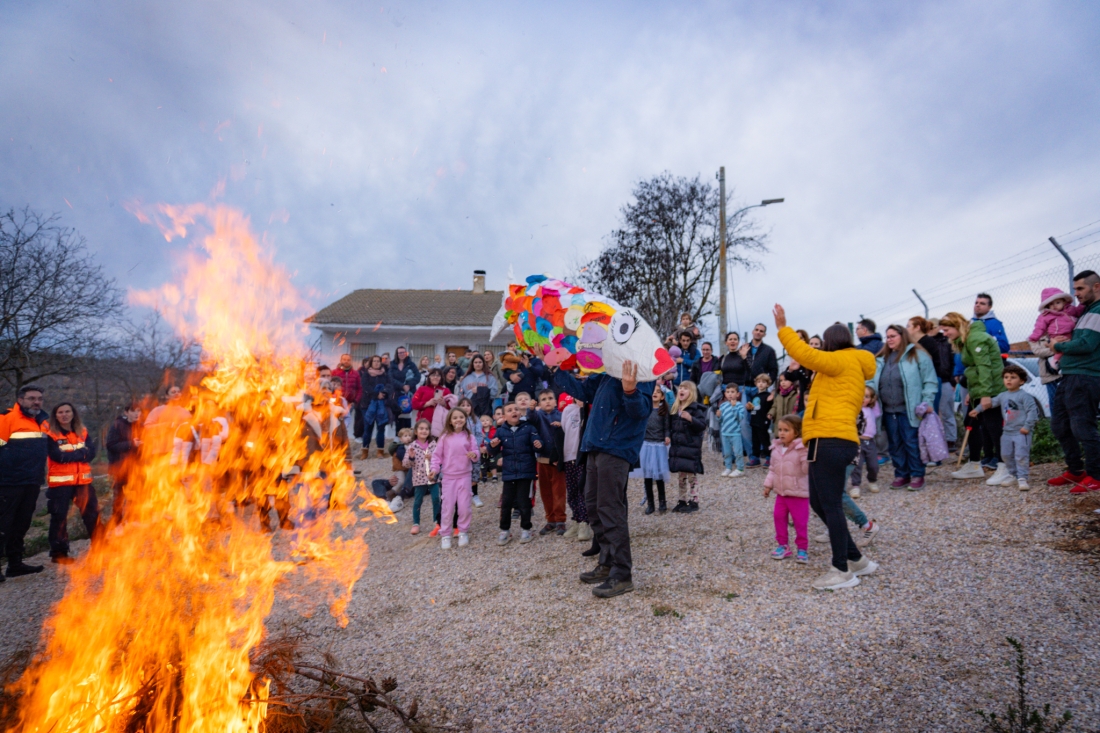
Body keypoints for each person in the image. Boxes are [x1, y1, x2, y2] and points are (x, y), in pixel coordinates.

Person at [774, 306, 879, 591]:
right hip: (836, 440)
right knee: (820, 501)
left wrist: (783, 328)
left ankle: (841, 569)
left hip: (829, 439)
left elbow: (806, 354)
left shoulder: (840, 361)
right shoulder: (852, 364)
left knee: (829, 503)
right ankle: (857, 559)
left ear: (831, 344)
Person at [554, 360, 653, 599]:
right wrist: (556, 368)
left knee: (610, 509)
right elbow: (583, 391)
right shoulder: (608, 372)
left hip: (616, 447)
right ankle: (607, 563)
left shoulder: (644, 371)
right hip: (594, 445)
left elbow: (641, 411)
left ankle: (622, 574)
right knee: (594, 507)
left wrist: (630, 390)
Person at [1048, 270, 1100, 493]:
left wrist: (1057, 346)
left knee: (1083, 427)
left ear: (1096, 287)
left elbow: (1086, 345)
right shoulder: (1086, 313)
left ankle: (1096, 475)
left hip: (1085, 376)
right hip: (1069, 375)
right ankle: (1076, 470)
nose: (1076, 293)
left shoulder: (1097, 311)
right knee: (1060, 425)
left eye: (1080, 288)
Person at [869, 325, 938, 490]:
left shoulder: (917, 355)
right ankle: (901, 474)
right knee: (895, 443)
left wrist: (927, 401)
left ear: (903, 336)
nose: (889, 339)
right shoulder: (882, 359)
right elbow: (872, 381)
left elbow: (929, 380)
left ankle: (917, 474)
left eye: (893, 336)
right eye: (887, 337)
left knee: (911, 442)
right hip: (888, 409)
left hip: (910, 408)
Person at [940, 312, 1006, 480]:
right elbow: (974, 370)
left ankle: (1005, 467)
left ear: (957, 326)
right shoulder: (966, 340)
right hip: (980, 389)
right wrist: (972, 391)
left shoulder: (976, 338)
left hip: (992, 389)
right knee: (971, 423)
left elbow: (985, 367)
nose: (945, 334)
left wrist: (985, 395)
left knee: (993, 427)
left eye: (947, 330)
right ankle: (975, 464)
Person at [0, 385, 50, 580]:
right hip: (9, 482)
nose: (36, 402)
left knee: (22, 524)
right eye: (31, 398)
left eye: (39, 398)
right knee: (3, 524)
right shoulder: (6, 418)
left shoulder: (42, 421)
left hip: (32, 481)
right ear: (20, 400)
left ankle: (15, 564)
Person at [44, 403, 99, 564]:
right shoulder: (51, 434)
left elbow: (92, 453)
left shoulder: (82, 431)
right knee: (59, 517)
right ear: (55, 415)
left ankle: (100, 545)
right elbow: (57, 456)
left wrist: (74, 455)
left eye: (67, 411)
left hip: (83, 481)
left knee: (92, 514)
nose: (64, 415)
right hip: (60, 484)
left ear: (73, 413)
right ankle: (59, 553)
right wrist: (81, 454)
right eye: (60, 412)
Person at [969, 364, 1038, 491]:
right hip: (1007, 432)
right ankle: (1012, 475)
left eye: (1013, 377)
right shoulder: (1002, 395)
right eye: (1006, 377)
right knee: (1005, 454)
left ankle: (1022, 478)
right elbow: (990, 403)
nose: (1009, 380)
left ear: (1022, 381)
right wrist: (977, 410)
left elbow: (1033, 411)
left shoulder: (1025, 396)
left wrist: (1027, 426)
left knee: (1021, 455)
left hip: (1021, 432)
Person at [491, 403, 542, 545]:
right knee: (506, 503)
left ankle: (526, 529)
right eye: (509, 410)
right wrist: (492, 446)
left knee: (524, 502)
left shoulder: (529, 428)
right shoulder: (501, 431)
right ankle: (505, 530)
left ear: (520, 413)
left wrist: (538, 443)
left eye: (516, 409)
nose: (514, 412)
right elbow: (492, 451)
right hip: (509, 473)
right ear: (504, 416)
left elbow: (537, 440)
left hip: (526, 472)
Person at [429, 408, 480, 549]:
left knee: (464, 506)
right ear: (450, 421)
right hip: (448, 478)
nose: (458, 420)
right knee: (447, 507)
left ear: (465, 419)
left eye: (461, 417)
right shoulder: (444, 437)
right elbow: (437, 456)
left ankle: (463, 531)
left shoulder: (470, 437)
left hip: (465, 476)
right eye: (455, 417)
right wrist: (434, 469)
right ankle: (445, 534)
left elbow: (476, 452)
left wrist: (474, 455)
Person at [763, 414, 810, 564]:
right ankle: (783, 545)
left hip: (798, 494)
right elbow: (772, 469)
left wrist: (804, 453)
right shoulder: (776, 449)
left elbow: (806, 470)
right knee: (778, 517)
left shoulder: (801, 448)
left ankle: (802, 548)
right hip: (781, 494)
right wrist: (768, 485)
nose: (781, 433)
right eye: (780, 429)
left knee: (800, 522)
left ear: (796, 432)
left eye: (786, 430)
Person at [908, 317, 958, 451]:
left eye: (908, 326)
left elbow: (939, 364)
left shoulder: (928, 343)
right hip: (927, 381)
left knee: (933, 415)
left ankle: (938, 448)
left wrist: (950, 378)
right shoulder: (916, 343)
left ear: (917, 327)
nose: (906, 329)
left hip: (935, 380)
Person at [530, 389, 568, 534]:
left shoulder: (561, 415)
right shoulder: (538, 415)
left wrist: (562, 425)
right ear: (540, 403)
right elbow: (531, 418)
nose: (547, 401)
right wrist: (531, 409)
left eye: (550, 398)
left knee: (559, 491)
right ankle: (550, 520)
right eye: (544, 399)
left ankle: (560, 520)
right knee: (545, 492)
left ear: (555, 401)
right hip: (542, 459)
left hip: (557, 460)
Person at [668, 381, 706, 513]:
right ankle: (682, 500)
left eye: (685, 388)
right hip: (679, 447)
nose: (681, 390)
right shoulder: (675, 408)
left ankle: (694, 500)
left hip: (690, 447)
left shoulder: (696, 409)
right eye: (680, 388)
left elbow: (702, 425)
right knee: (681, 475)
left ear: (692, 393)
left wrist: (690, 419)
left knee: (691, 475)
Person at [1029, 288, 1084, 370]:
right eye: (1051, 304)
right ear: (1047, 305)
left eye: (1057, 302)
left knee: (1072, 345)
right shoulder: (1046, 315)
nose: (1054, 306)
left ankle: (1058, 360)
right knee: (1062, 345)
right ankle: (1055, 359)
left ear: (1064, 302)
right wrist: (1034, 337)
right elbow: (1039, 327)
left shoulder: (1070, 310)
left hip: (1071, 332)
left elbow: (1078, 311)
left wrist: (1083, 304)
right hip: (1057, 334)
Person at [636, 387, 671, 514]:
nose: (655, 393)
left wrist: (667, 436)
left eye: (658, 392)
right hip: (646, 445)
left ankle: (662, 501)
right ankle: (650, 503)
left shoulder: (663, 411)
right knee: (648, 476)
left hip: (659, 445)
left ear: (662, 396)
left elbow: (667, 427)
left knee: (660, 475)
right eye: (653, 391)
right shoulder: (645, 410)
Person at [106, 402, 142, 523]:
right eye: (133, 411)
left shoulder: (140, 426)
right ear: (126, 412)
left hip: (136, 467)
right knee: (119, 496)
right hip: (120, 467)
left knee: (136, 495)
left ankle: (133, 520)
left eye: (139, 411)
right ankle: (117, 522)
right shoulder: (118, 425)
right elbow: (111, 445)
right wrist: (131, 444)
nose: (137, 413)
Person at [403, 419, 440, 536]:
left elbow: (440, 459)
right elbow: (405, 464)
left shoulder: (433, 444)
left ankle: (437, 522)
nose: (424, 431)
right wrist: (411, 458)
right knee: (418, 501)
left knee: (436, 499)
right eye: (421, 429)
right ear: (416, 431)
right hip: (419, 479)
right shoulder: (412, 446)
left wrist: (432, 457)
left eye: (426, 429)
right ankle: (416, 523)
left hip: (433, 477)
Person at [143, 385, 192, 457]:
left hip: (180, 452)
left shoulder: (186, 412)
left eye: (178, 392)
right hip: (160, 451)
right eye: (173, 392)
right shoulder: (158, 410)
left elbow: (191, 431)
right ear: (167, 396)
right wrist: (167, 425)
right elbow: (147, 427)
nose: (176, 394)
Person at [359, 355, 392, 459]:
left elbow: (389, 385)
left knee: (381, 428)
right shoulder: (366, 374)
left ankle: (380, 451)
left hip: (381, 405)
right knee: (368, 427)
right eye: (375, 361)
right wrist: (375, 394)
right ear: (371, 363)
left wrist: (384, 393)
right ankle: (365, 451)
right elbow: (365, 387)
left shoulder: (384, 374)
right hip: (367, 405)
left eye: (378, 361)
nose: (377, 363)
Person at [851, 387, 881, 497]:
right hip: (857, 441)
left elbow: (877, 410)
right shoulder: (854, 410)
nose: (863, 398)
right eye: (861, 395)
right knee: (857, 465)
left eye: (867, 396)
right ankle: (855, 486)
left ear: (871, 400)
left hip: (870, 442)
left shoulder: (873, 410)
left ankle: (872, 481)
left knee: (873, 465)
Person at [716, 384, 746, 478]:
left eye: (732, 392)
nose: (730, 394)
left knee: (738, 452)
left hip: (735, 433)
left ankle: (740, 469)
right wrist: (718, 416)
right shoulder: (723, 405)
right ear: (725, 394)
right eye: (728, 392)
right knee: (727, 452)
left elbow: (740, 418)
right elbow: (720, 421)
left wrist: (734, 408)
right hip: (725, 433)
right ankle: (728, 467)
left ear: (737, 394)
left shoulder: (739, 405)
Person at [332, 353, 362, 440]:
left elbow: (360, 388)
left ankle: (343, 439)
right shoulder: (334, 372)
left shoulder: (355, 373)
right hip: (336, 402)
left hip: (349, 403)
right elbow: (330, 387)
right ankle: (334, 438)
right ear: (341, 360)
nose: (346, 361)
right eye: (344, 359)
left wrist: (355, 401)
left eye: (348, 360)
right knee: (335, 421)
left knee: (345, 421)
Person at [746, 374, 774, 467]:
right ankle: (755, 457)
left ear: (768, 384)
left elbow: (770, 408)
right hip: (754, 421)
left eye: (763, 382)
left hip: (763, 421)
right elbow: (753, 409)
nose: (761, 384)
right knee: (755, 441)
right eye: (759, 382)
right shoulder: (755, 396)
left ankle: (769, 457)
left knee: (765, 440)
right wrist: (748, 408)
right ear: (756, 383)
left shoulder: (768, 396)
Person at [767, 373, 800, 437]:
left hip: (790, 423)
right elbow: (774, 406)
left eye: (785, 380)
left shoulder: (796, 395)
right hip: (779, 424)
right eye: (781, 380)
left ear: (792, 381)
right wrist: (771, 413)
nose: (783, 382)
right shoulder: (778, 395)